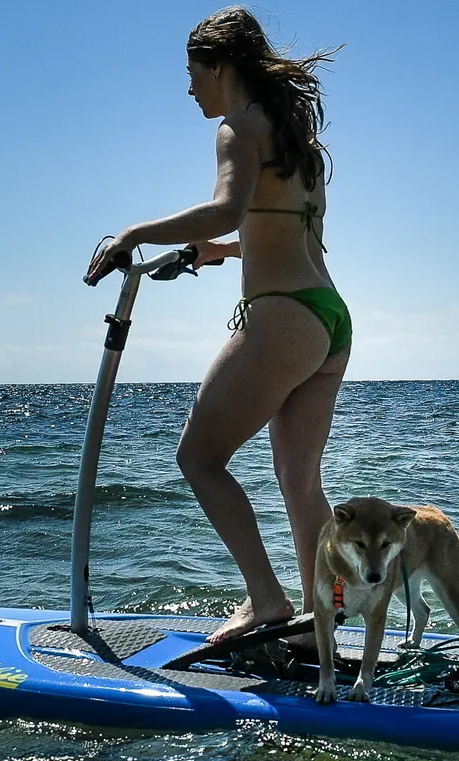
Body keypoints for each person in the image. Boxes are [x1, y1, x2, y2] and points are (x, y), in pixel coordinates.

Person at [87, 7, 349, 643]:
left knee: (199, 458)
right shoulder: (297, 142)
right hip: (329, 318)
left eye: (192, 70)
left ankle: (266, 599)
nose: (189, 85)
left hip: (281, 316)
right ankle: (328, 609)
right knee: (299, 479)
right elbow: (284, 230)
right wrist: (219, 254)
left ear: (221, 67)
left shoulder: (238, 128)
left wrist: (133, 234)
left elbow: (227, 210)